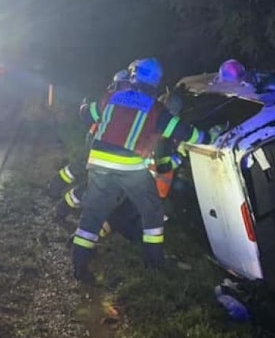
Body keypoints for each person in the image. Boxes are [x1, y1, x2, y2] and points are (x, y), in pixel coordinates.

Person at [71, 58, 207, 282]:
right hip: (129, 167)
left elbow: (87, 115)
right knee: (152, 210)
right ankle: (154, 263)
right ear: (156, 82)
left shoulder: (112, 96)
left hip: (99, 162)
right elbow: (182, 132)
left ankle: (79, 266)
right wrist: (206, 136)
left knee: (92, 214)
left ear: (133, 75)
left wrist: (83, 106)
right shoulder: (156, 108)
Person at [50, 69, 132, 220]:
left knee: (83, 169)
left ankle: (59, 197)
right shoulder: (131, 101)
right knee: (88, 173)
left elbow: (88, 114)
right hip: (105, 145)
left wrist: (87, 106)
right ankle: (60, 198)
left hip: (100, 141)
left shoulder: (112, 98)